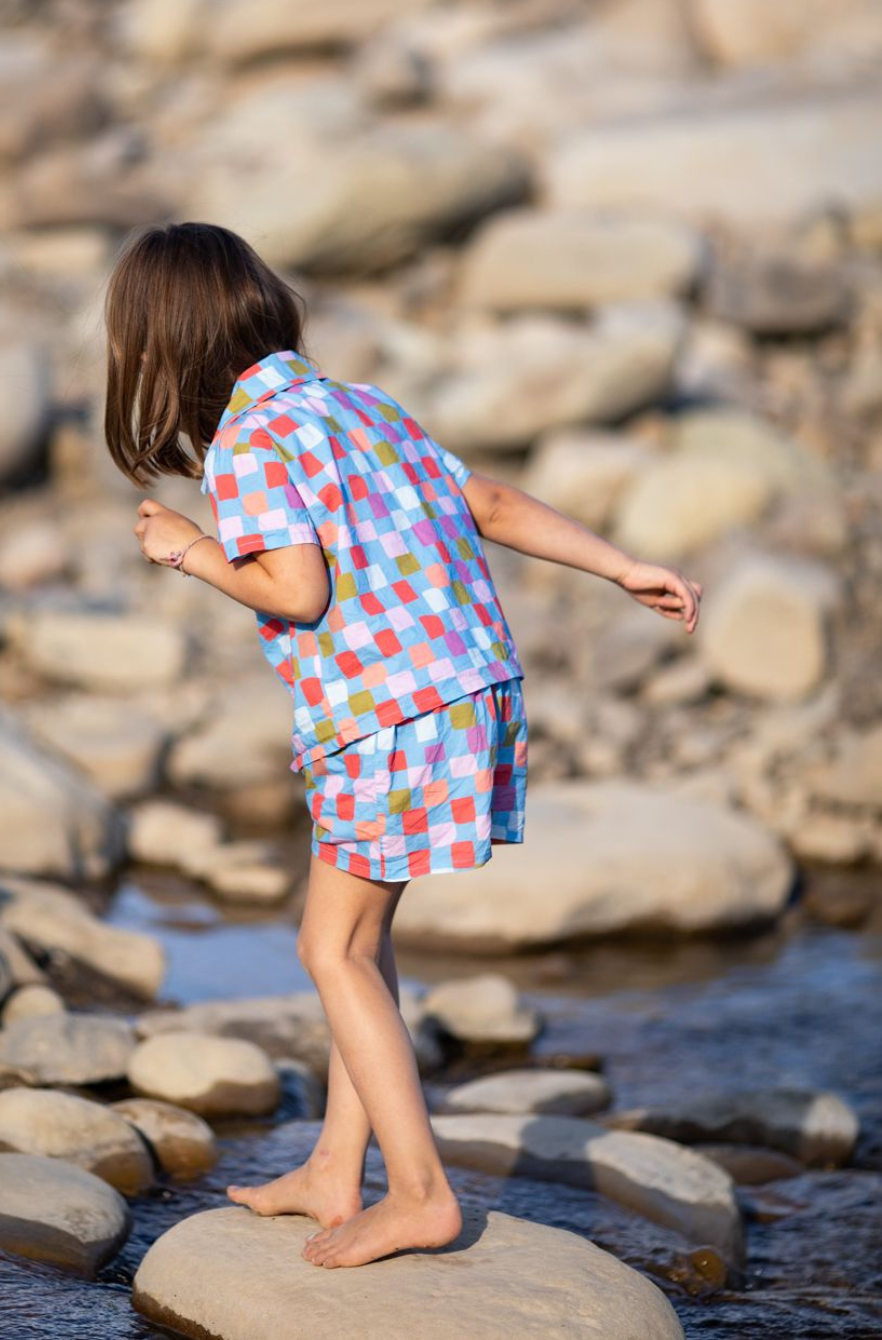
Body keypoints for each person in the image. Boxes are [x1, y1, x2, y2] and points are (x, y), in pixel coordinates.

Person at [104, 220, 702, 1270]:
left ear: (161, 349)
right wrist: (622, 566)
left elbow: (297, 590)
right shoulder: (358, 405)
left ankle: (422, 1193)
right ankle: (339, 1167)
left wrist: (189, 550)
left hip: (389, 714)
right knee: (364, 941)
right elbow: (489, 502)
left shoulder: (250, 439)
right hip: (468, 691)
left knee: (326, 949)